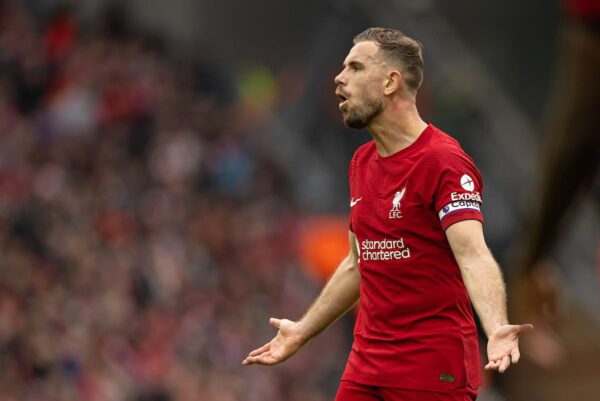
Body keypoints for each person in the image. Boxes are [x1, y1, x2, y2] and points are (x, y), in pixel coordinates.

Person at [242, 27, 533, 401]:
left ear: (391, 82)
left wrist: (494, 327)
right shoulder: (361, 162)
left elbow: (473, 254)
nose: (339, 78)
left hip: (431, 367)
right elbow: (357, 264)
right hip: (367, 365)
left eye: (355, 68)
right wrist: (302, 331)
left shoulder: (443, 161)